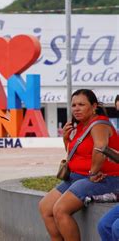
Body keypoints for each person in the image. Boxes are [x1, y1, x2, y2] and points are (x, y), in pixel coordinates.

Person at [39, 89, 119, 241]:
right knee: (45, 207)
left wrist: (93, 172)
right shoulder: (82, 126)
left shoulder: (99, 124)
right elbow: (75, 156)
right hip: (76, 176)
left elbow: (101, 148)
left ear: (94, 106)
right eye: (74, 105)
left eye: (81, 104)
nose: (76, 108)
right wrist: (66, 140)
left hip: (105, 178)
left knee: (60, 210)